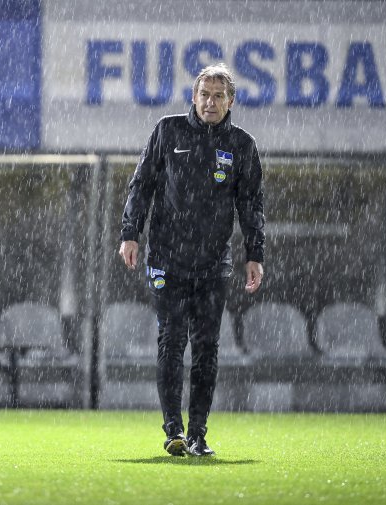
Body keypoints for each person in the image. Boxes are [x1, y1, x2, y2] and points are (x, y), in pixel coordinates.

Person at [118, 63, 265, 457]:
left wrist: (256, 254)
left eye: (219, 95)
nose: (210, 102)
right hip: (167, 260)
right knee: (170, 342)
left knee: (206, 348)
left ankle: (198, 434)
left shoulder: (241, 146)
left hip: (213, 265)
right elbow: (141, 184)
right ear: (194, 97)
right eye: (204, 94)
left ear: (231, 101)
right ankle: (173, 431)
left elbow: (251, 205)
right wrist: (130, 232)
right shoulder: (168, 131)